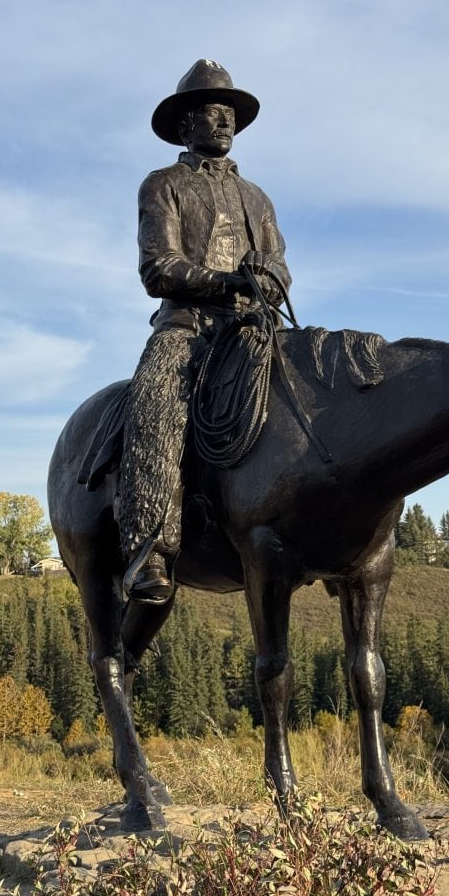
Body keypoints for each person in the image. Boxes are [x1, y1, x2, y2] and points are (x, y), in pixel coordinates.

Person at [118, 59, 291, 603]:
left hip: (252, 326)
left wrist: (268, 278)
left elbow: (281, 265)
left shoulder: (257, 197)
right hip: (187, 326)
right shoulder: (163, 185)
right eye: (213, 113)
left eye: (230, 115)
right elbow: (158, 268)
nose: (224, 123)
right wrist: (225, 281)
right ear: (185, 124)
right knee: (157, 404)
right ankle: (150, 549)